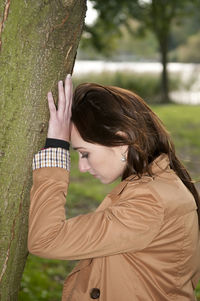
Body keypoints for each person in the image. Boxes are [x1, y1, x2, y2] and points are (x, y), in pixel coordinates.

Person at [28, 74, 200, 301]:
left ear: (121, 141)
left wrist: (56, 149)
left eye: (85, 153)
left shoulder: (149, 202)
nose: (82, 167)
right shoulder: (161, 187)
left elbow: (45, 240)